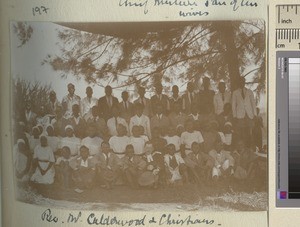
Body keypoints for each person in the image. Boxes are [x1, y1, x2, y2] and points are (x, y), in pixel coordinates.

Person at [232, 76, 257, 145]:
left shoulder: (249, 92)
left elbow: (253, 104)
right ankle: (243, 146)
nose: (241, 83)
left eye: (243, 81)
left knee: (250, 131)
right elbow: (233, 105)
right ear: (238, 82)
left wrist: (255, 114)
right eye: (240, 81)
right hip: (240, 115)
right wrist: (235, 116)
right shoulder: (235, 92)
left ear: (244, 82)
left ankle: (251, 146)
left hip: (249, 115)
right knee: (241, 131)